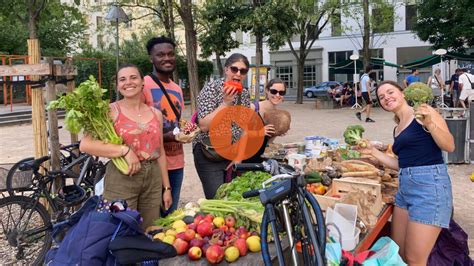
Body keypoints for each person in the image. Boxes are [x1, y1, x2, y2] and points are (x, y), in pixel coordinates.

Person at [364, 80, 454, 265]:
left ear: (403, 93)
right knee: (398, 252)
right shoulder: (398, 128)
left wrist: (430, 123)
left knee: (415, 259)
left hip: (430, 188)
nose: (386, 98)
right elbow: (402, 164)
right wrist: (373, 152)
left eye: (390, 92)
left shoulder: (424, 112)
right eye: (381, 97)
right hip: (405, 189)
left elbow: (449, 145)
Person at [80, 64, 172, 229]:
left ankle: (148, 256)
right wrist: (124, 150)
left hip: (153, 178)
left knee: (150, 229)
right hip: (122, 175)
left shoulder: (155, 114)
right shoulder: (109, 111)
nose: (128, 82)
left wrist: (167, 188)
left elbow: (161, 153)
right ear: (117, 85)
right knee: (119, 228)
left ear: (143, 82)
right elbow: (86, 145)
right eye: (122, 79)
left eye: (133, 77)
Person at [193, 53, 254, 199]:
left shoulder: (244, 94)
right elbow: (204, 125)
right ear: (226, 69)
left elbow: (245, 128)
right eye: (234, 69)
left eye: (243, 71)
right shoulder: (211, 89)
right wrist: (226, 103)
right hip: (209, 153)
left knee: (232, 198)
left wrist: (239, 157)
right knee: (217, 198)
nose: (238, 74)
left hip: (231, 153)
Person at [142, 36, 188, 217]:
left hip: (177, 160)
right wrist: (169, 136)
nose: (167, 58)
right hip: (154, 163)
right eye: (160, 55)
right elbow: (139, 128)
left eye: (170, 54)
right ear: (151, 59)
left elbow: (175, 122)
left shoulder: (177, 88)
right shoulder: (144, 85)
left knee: (170, 215)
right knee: (154, 217)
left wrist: (185, 133)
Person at [244, 78, 288, 163]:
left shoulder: (276, 115)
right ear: (267, 91)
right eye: (274, 91)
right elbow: (236, 134)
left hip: (259, 158)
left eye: (281, 93)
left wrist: (276, 134)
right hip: (243, 158)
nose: (277, 95)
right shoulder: (253, 108)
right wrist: (259, 132)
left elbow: (266, 142)